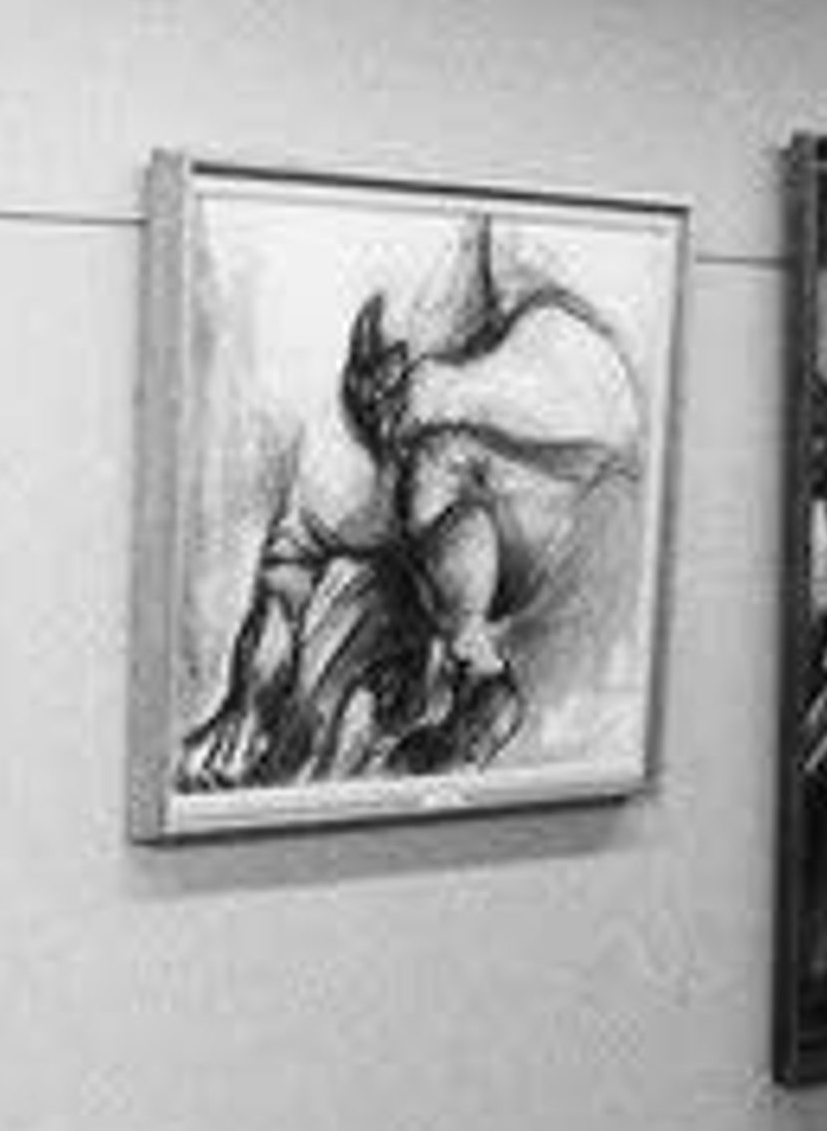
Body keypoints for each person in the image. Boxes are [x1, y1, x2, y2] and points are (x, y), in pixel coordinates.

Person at [179, 215, 646, 793]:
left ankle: (466, 671)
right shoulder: (344, 487)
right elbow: (283, 585)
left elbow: (617, 409)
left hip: (516, 473)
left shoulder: (484, 374)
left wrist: (450, 391)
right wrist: (245, 703)